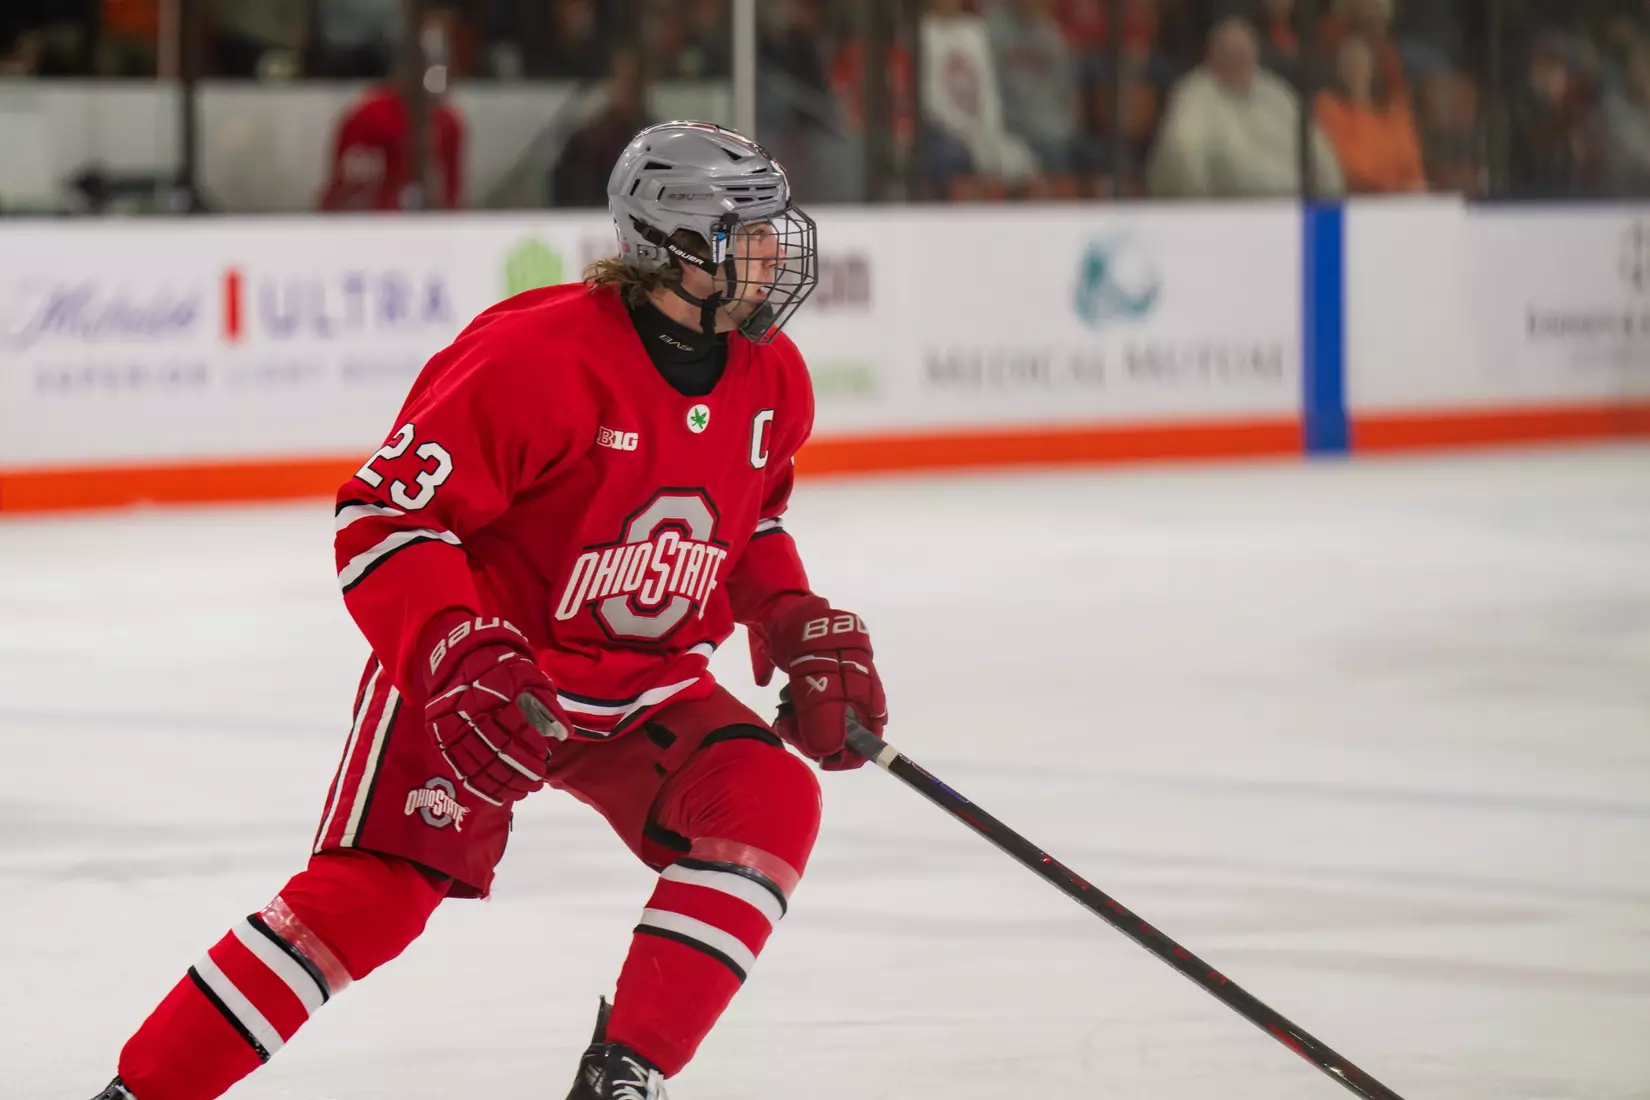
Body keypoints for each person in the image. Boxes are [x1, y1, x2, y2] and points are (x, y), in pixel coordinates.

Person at [88, 121, 887, 1100]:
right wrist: (452, 649)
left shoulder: (773, 381)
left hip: (644, 686)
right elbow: (384, 514)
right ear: (679, 245)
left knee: (770, 800)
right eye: (750, 231)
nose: (776, 252)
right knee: (369, 898)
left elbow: (747, 519)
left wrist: (794, 615)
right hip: (492, 670)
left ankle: (623, 1075)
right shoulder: (536, 357)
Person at [1147, 15, 1343, 198]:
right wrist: (1203, 212)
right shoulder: (1194, 94)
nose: (1239, 61)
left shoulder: (1276, 93)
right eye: (1232, 54)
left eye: (1245, 54)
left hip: (1293, 208)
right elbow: (1180, 150)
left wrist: (1330, 199)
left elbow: (1315, 145)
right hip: (1230, 213)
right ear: (1213, 56)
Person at [318, 57, 465, 210]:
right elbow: (346, 182)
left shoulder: (449, 124)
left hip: (427, 222)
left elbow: (452, 191)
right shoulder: (370, 115)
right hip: (369, 220)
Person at [1314, 31, 1426, 192]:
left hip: (1399, 202)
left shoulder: (1396, 110)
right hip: (1355, 200)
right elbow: (1349, 167)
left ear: (1374, 63)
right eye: (1347, 59)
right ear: (1336, 66)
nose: (1354, 65)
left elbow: (1413, 170)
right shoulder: (1327, 107)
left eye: (1360, 57)